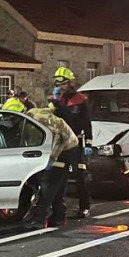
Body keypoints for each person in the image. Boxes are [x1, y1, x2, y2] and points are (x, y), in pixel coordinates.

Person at [22, 106, 78, 229]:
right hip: (64, 149)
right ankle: (58, 217)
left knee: (49, 187)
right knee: (57, 189)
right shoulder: (36, 119)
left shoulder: (48, 122)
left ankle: (39, 220)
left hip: (65, 151)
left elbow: (59, 141)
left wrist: (51, 160)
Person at [50, 66, 94, 218]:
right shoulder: (59, 100)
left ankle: (85, 207)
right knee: (57, 176)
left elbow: (83, 122)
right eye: (58, 84)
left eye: (62, 84)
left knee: (81, 177)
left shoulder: (81, 100)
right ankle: (58, 209)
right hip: (62, 143)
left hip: (76, 142)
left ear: (70, 83)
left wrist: (88, 144)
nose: (60, 87)